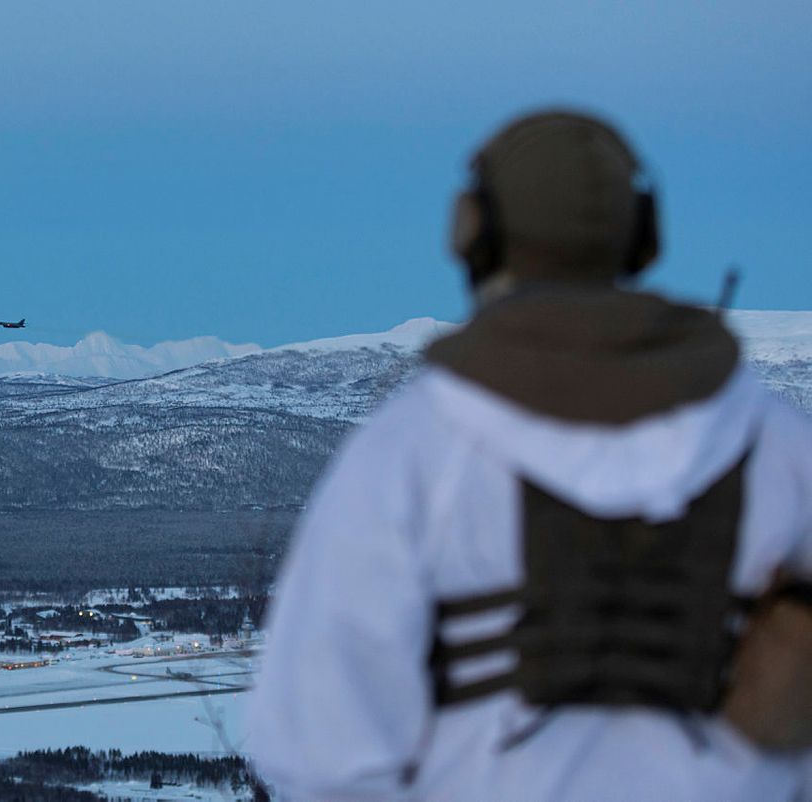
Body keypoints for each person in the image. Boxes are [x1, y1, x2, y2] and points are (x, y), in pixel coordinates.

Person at [247, 109, 812, 801]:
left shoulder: (410, 451)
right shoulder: (778, 443)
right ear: (643, 234)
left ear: (473, 233)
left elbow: (318, 752)